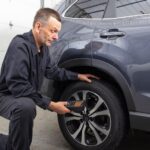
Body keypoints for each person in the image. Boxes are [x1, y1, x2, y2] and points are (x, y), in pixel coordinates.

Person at [0, 8, 98, 150]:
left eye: (57, 32)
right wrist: (51, 104)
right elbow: (18, 86)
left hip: (21, 97)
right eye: (53, 31)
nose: (56, 36)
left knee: (25, 109)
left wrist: (77, 76)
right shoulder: (20, 46)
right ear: (38, 26)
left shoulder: (43, 48)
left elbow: (52, 71)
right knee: (26, 107)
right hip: (5, 96)